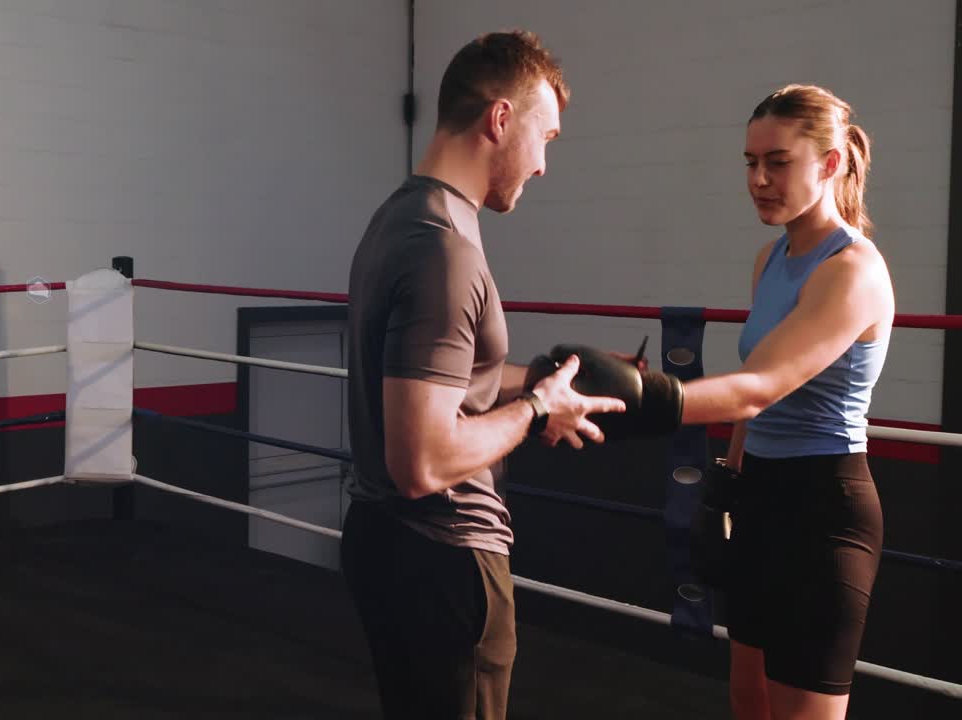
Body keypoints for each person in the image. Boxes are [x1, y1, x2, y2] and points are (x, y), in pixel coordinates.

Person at [533, 84, 892, 720]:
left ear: (831, 163)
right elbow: (753, 400)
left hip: (822, 509)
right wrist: (727, 487)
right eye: (750, 163)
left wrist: (640, 401)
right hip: (760, 499)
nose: (758, 179)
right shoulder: (771, 258)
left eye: (777, 162)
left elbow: (760, 385)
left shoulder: (853, 270)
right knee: (748, 704)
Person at [340, 30, 627, 720]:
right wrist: (532, 411)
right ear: (500, 120)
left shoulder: (401, 218)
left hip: (391, 544)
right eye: (546, 138)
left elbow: (440, 382)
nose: (544, 165)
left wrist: (549, 386)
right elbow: (424, 460)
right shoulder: (444, 251)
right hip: (445, 553)